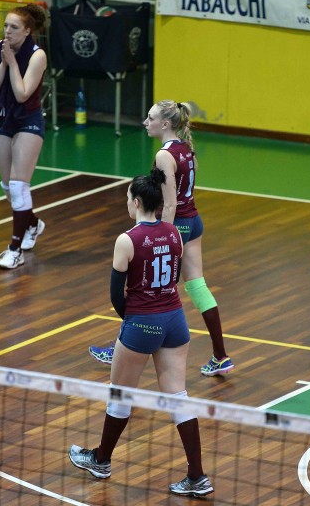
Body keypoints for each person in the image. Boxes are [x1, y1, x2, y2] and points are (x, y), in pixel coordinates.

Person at [68, 170, 213, 498]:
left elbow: (116, 294)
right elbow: (172, 278)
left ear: (136, 202)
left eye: (127, 198)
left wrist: (133, 325)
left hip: (143, 322)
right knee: (178, 396)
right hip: (175, 320)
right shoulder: (174, 233)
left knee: (120, 394)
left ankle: (101, 460)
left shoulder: (127, 240)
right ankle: (197, 476)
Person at [90, 101, 235, 377]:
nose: (146, 122)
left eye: (150, 118)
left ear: (165, 124)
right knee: (197, 286)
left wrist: (163, 235)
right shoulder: (186, 148)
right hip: (193, 221)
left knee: (147, 289)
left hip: (177, 225)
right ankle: (220, 355)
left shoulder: (164, 155)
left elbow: (169, 203)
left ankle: (121, 347)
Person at [0, 3, 48, 269]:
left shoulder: (37, 55)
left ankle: (15, 249)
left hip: (28, 121)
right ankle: (32, 223)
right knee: (7, 187)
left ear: (27, 30)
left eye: (14, 27)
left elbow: (22, 94)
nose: (7, 31)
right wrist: (3, 62)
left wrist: (12, 64)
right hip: (3, 118)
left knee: (19, 186)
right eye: (6, 26)